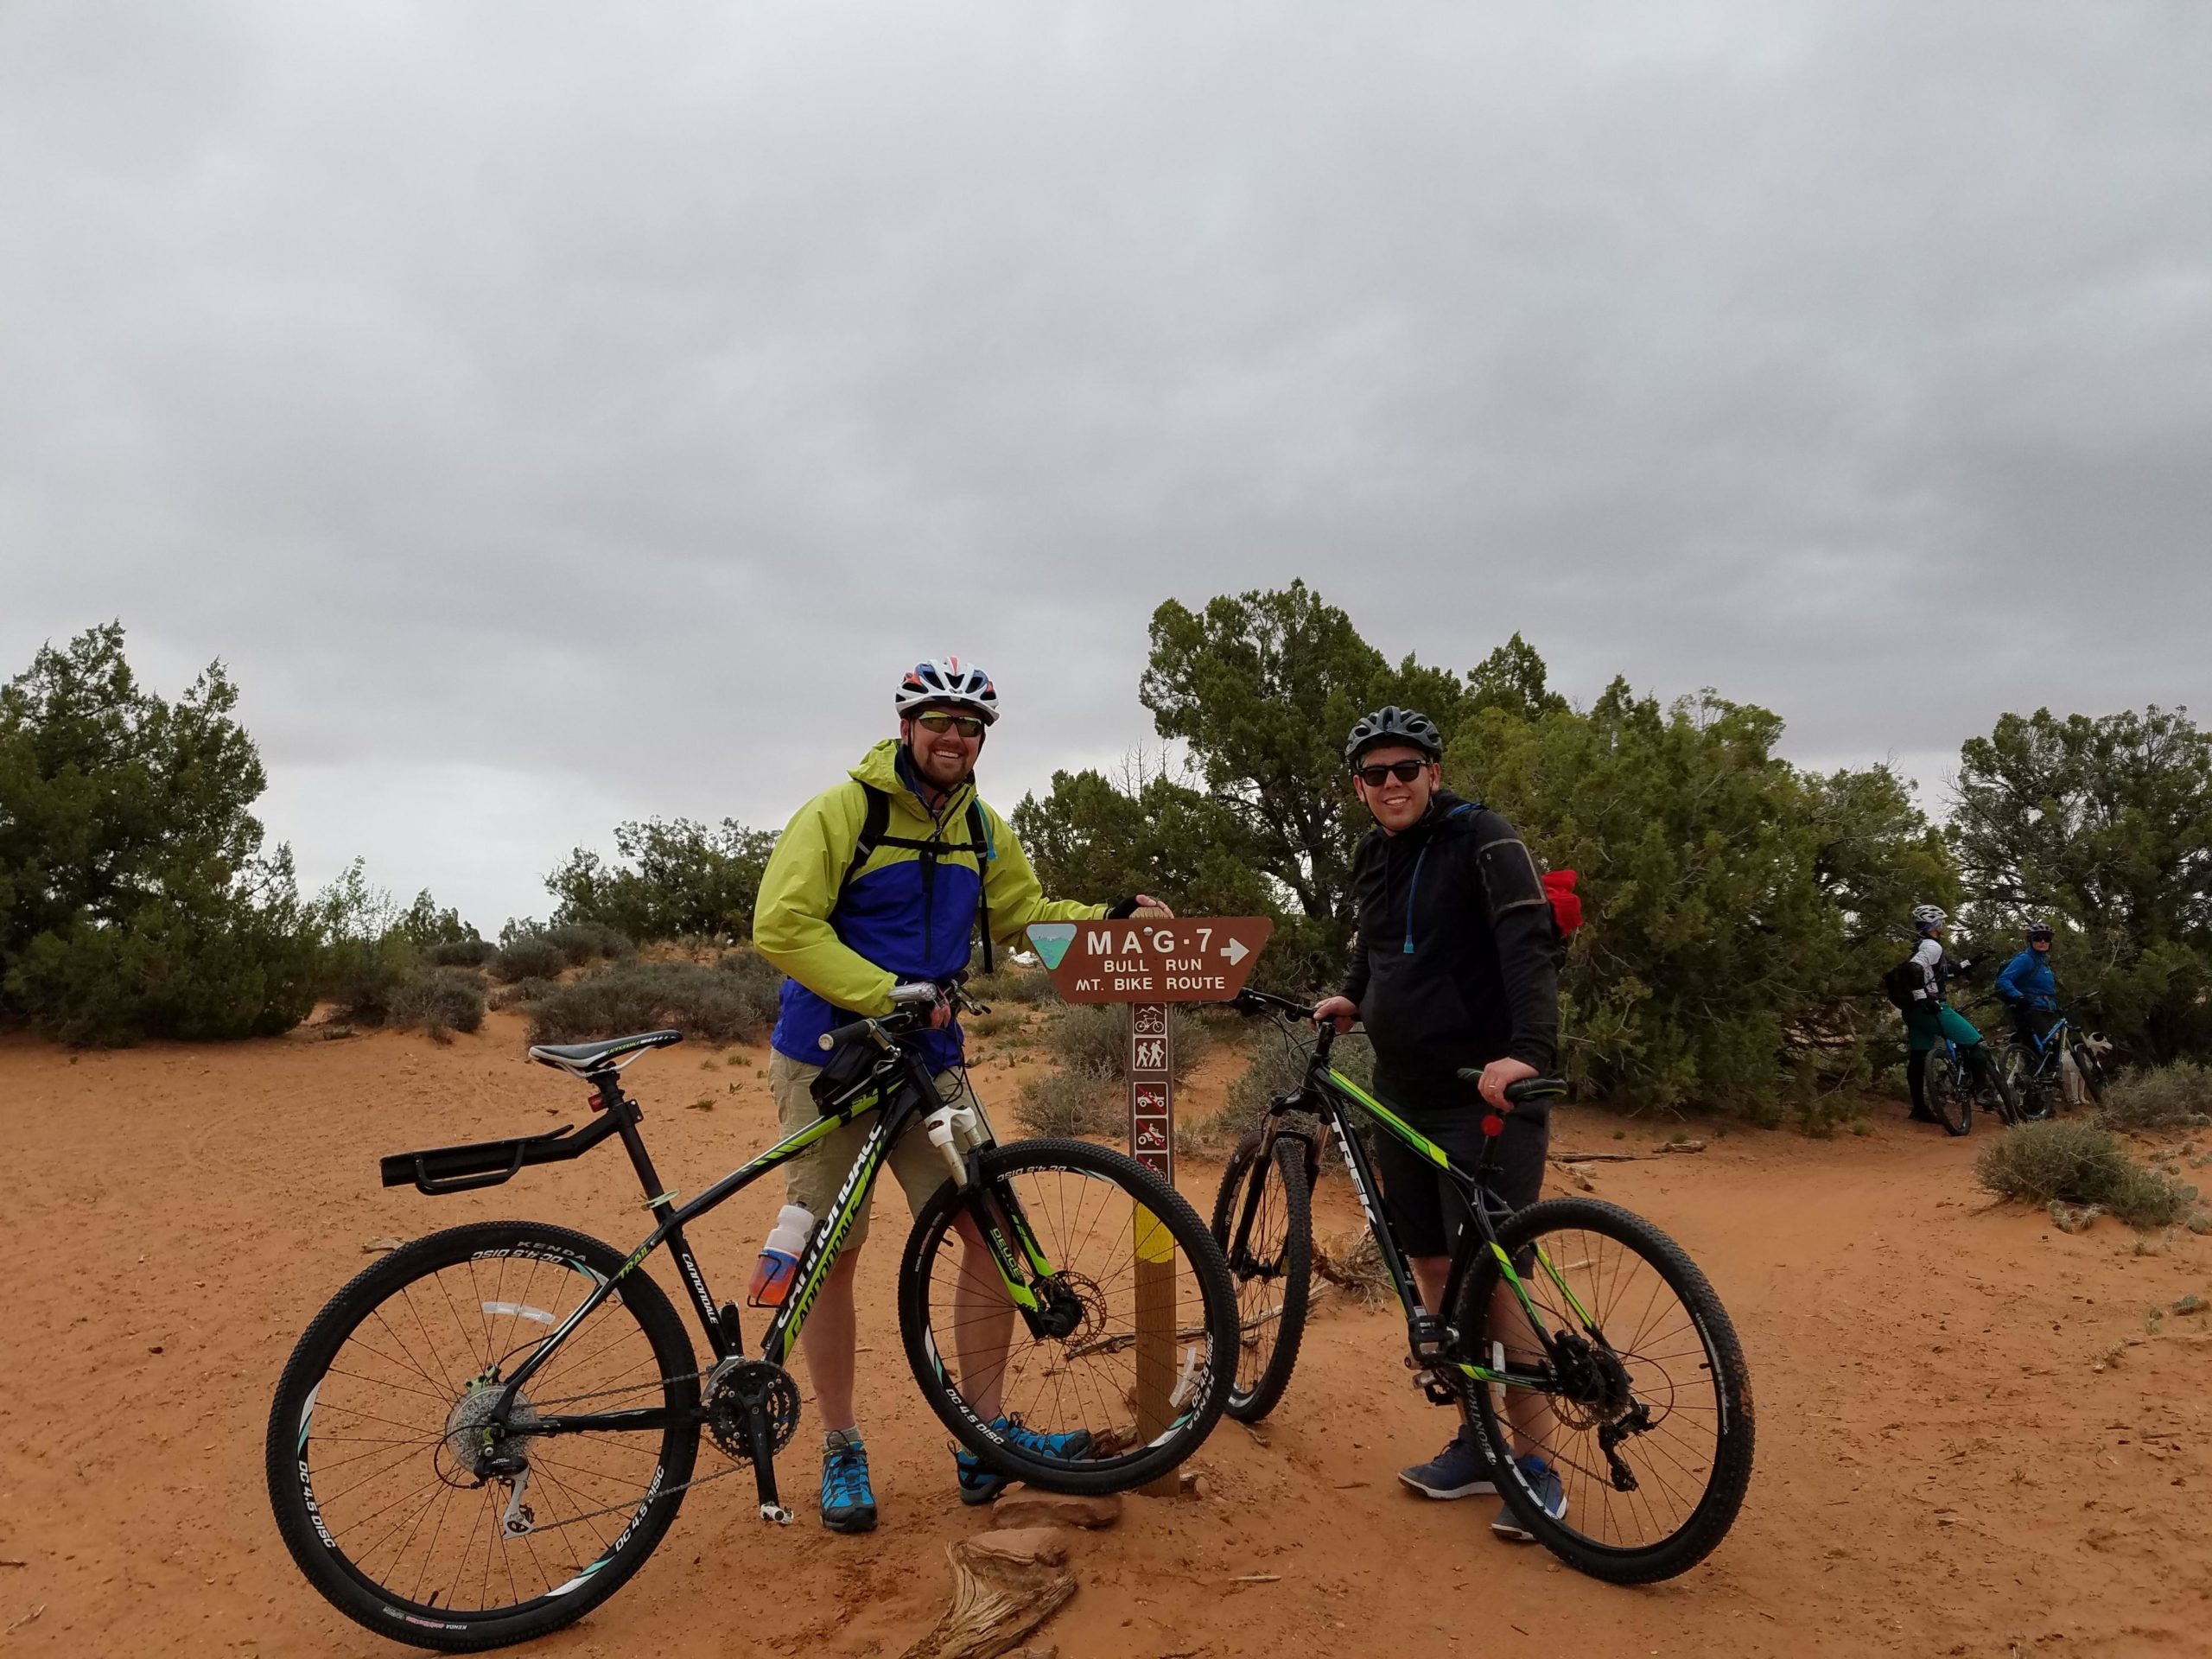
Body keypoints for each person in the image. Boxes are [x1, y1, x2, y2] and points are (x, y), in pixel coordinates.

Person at [751, 657, 1170, 1535]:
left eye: (970, 726)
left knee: (987, 1226)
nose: (953, 737)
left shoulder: (982, 827)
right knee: (833, 1248)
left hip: (928, 1059)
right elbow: (781, 925)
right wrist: (881, 991)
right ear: (907, 726)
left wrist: (1109, 920)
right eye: (938, 720)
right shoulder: (842, 813)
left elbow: (1022, 910)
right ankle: (840, 1445)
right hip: (829, 1055)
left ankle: (983, 1436)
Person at [1310, 705, 1568, 1542]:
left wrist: (1525, 1053)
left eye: (1406, 769)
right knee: (1429, 1267)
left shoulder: (1483, 838)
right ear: (1359, 786)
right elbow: (1377, 939)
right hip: (1399, 1091)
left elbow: (1527, 942)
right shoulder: (1371, 853)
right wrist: (1354, 992)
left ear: (1434, 771)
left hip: (1481, 1093)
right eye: (1375, 773)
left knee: (1495, 1279)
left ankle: (1534, 1466)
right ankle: (1477, 1439)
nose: (1392, 785)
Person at [1899, 904, 1993, 1122]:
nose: (1945, 926)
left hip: (1911, 1011)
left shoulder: (1916, 945)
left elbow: (1946, 972)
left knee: (1919, 1057)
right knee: (1975, 1043)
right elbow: (1915, 968)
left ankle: (1919, 1108)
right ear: (1935, 924)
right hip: (1931, 1008)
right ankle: (1982, 1091)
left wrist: (1973, 961)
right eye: (1942, 922)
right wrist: (1923, 997)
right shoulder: (1932, 946)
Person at [1995, 920, 2060, 1055]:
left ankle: (2043, 1074)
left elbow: (2047, 990)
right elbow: (2004, 979)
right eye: (2037, 938)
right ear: (2030, 941)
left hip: (2046, 1008)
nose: (2042, 941)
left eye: (2046, 939)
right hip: (2031, 1008)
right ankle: (2041, 1075)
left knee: (2049, 1049)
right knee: (2047, 1047)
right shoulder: (2026, 959)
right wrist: (2019, 996)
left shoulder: (2042, 962)